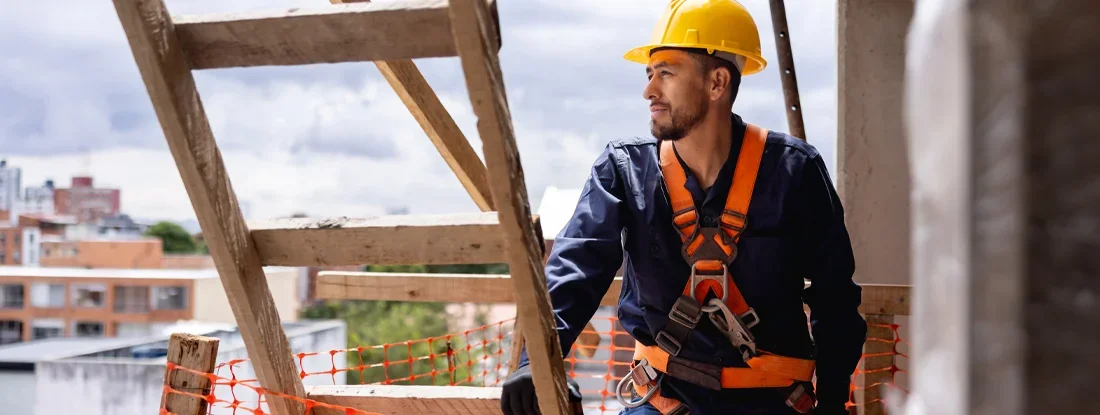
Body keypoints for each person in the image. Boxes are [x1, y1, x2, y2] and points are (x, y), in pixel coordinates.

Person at [501, 1, 867, 414]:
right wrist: (536, 362)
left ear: (717, 83)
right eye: (649, 73)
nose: (649, 90)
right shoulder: (624, 171)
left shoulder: (794, 172)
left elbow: (835, 299)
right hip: (663, 402)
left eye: (666, 73)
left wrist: (833, 403)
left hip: (772, 404)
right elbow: (573, 272)